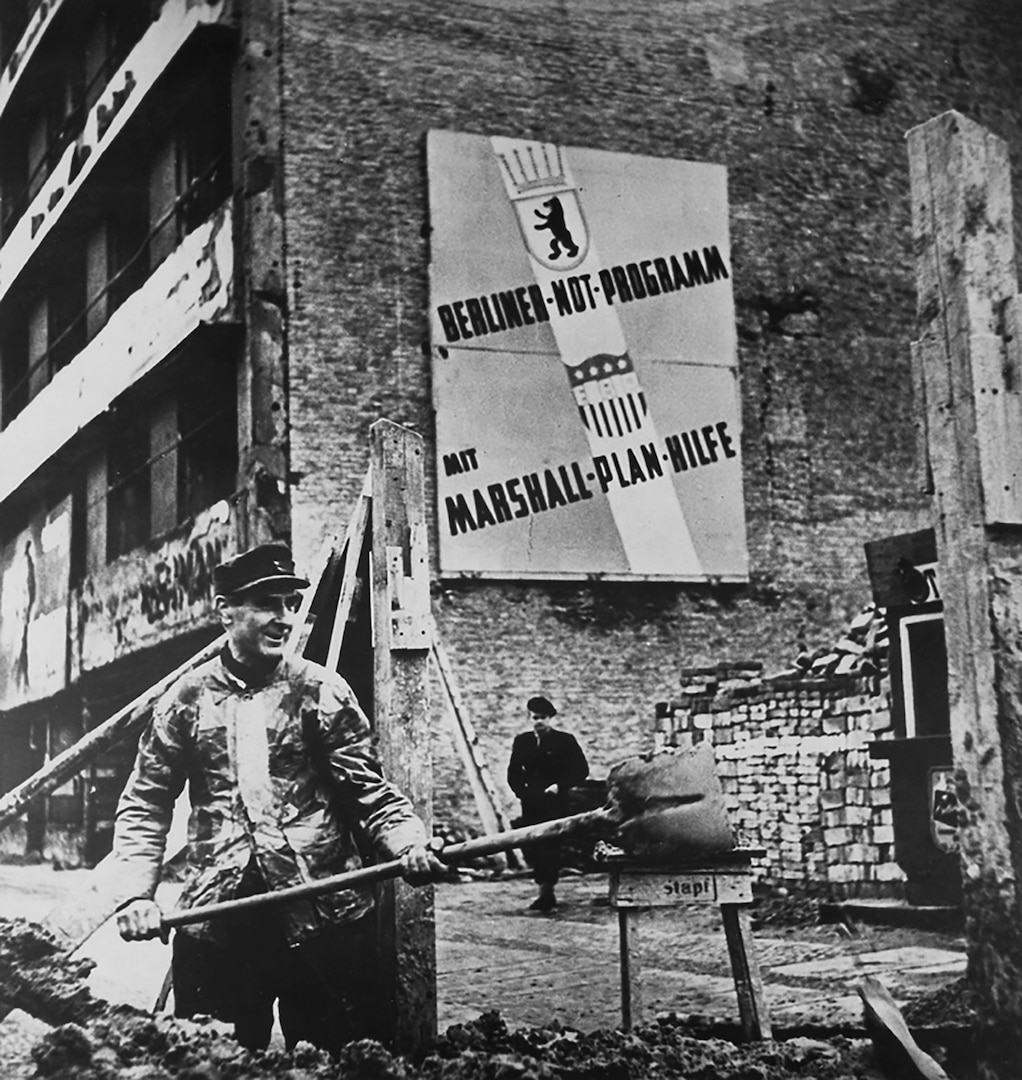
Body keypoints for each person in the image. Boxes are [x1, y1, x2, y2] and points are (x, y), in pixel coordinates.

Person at [111, 542, 445, 1055]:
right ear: (225, 611)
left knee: (341, 1059)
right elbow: (146, 803)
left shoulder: (320, 691)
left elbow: (369, 792)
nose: (284, 618)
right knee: (212, 1061)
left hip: (324, 923)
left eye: (290, 603)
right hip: (219, 925)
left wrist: (409, 844)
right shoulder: (185, 700)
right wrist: (137, 895)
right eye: (268, 603)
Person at [507, 695, 589, 911]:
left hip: (555, 802)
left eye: (543, 717)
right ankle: (543, 889)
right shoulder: (522, 742)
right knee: (532, 844)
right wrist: (521, 791)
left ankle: (547, 892)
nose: (539, 722)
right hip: (531, 802)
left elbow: (581, 770)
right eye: (534, 717)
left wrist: (559, 786)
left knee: (550, 845)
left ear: (551, 718)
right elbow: (513, 772)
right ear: (529, 718)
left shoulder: (565, 741)